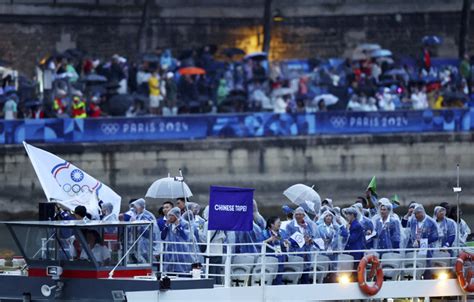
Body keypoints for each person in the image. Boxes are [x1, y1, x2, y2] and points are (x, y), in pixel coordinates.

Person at [285, 207, 320, 284]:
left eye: (300, 214)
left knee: (305, 275)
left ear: (304, 215)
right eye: (297, 214)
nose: (298, 216)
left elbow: (313, 236)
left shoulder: (308, 225)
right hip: (296, 253)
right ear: (294, 215)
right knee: (295, 275)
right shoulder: (290, 226)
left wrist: (310, 240)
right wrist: (302, 240)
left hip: (306, 253)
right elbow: (288, 239)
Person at [161, 207, 194, 274]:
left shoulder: (185, 224)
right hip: (170, 253)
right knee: (169, 272)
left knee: (182, 271)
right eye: (169, 215)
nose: (170, 217)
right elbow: (162, 237)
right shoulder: (169, 225)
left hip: (182, 253)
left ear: (176, 215)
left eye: (171, 215)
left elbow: (186, 237)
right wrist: (166, 226)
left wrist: (178, 226)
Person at [199, 206, 227, 284]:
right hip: (219, 252)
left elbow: (205, 238)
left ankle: (211, 291)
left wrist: (199, 232)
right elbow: (224, 238)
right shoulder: (220, 223)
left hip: (210, 253)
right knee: (217, 274)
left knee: (210, 275)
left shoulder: (207, 223)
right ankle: (219, 289)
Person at [261, 216, 289, 285]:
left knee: (279, 278)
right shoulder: (264, 232)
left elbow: (283, 244)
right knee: (269, 278)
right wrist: (269, 240)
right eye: (278, 223)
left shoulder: (282, 232)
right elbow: (260, 244)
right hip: (269, 259)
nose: (280, 224)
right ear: (272, 224)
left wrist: (285, 244)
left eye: (280, 222)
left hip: (280, 258)